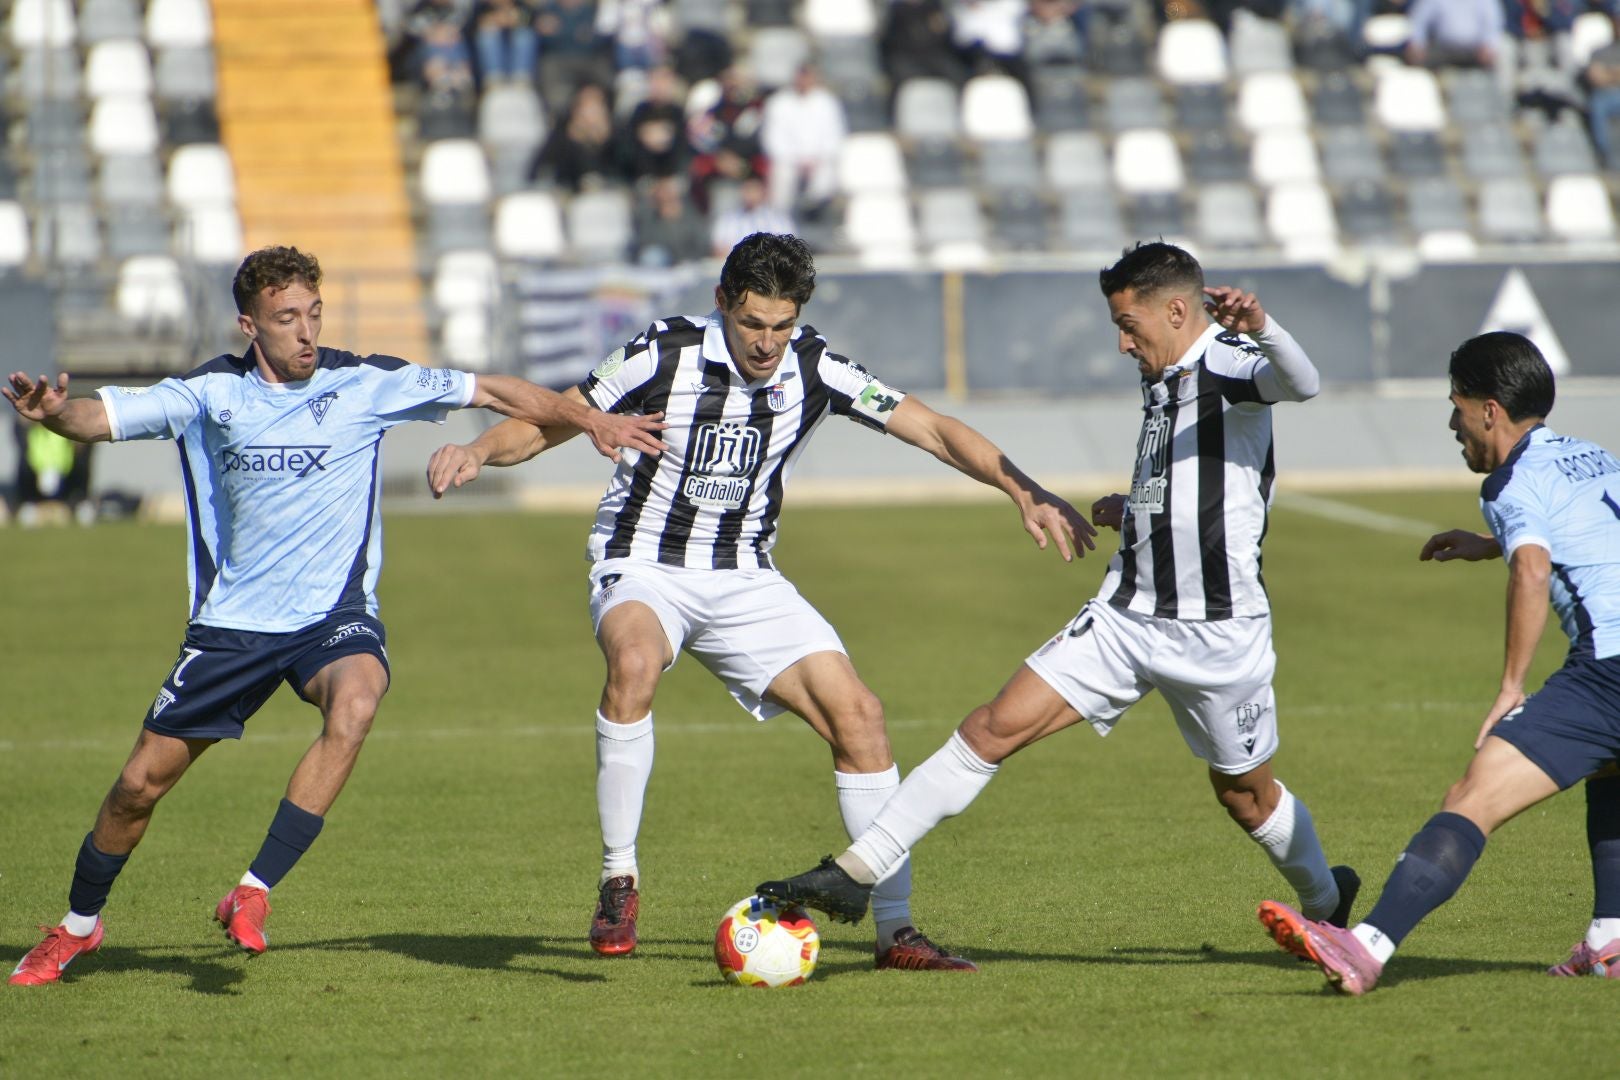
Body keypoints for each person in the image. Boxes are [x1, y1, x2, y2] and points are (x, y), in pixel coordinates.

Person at [426, 232, 1094, 969]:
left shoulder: (816, 365)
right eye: (752, 324)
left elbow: (932, 428)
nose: (768, 343)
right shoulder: (662, 352)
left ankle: (895, 930)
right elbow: (550, 421)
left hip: (745, 575)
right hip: (644, 564)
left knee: (860, 716)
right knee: (635, 662)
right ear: (722, 303)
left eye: (782, 325)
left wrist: (1022, 488)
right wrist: (478, 450)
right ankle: (620, 879)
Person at [5, 246, 665, 987]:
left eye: (313, 314)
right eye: (286, 317)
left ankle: (252, 891)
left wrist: (589, 419)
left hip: (332, 618)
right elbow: (100, 418)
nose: (305, 331)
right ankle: (78, 927)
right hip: (234, 626)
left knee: (357, 700)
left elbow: (492, 388)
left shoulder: (364, 383)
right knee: (137, 789)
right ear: (249, 325)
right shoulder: (209, 393)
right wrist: (55, 415)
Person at [756, 242, 1359, 952]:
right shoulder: (1163, 375)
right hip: (1127, 616)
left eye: (1129, 325)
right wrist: (1138, 508)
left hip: (1219, 634)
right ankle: (855, 873)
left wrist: (1263, 327)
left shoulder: (1227, 357)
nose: (1122, 342)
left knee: (1246, 797)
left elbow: (1301, 382)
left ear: (1176, 311)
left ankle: (1326, 900)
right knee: (991, 728)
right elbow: (1196, 477)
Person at [1257, 331, 1620, 995]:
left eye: (1457, 408)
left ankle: (1366, 946)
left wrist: (1511, 686)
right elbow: (1589, 527)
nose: (1453, 424)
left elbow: (1534, 571)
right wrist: (1492, 542)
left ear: (1489, 410)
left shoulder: (1509, 482)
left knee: (1470, 799)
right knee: (1612, 772)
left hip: (1609, 672)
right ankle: (1610, 939)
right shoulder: (1593, 455)